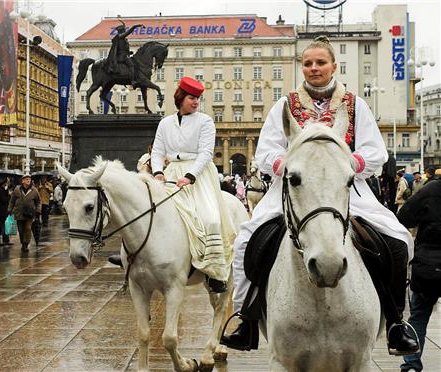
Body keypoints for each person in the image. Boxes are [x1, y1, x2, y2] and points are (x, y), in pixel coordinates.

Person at [222, 36, 418, 355]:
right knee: (246, 240)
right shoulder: (284, 104)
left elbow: (375, 151)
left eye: (320, 63)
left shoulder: (354, 104)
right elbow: (266, 149)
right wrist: (285, 164)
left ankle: (397, 321)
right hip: (295, 188)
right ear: (303, 67)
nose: (314, 68)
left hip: (345, 189)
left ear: (333, 66)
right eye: (308, 63)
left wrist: (347, 163)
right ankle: (245, 318)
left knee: (399, 240)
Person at [151, 76, 235, 293]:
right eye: (191, 98)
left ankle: (216, 272)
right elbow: (158, 151)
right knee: (150, 213)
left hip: (199, 174)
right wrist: (158, 171)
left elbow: (206, 153)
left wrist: (190, 176)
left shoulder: (205, 121)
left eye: (198, 98)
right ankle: (136, 258)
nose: (196, 102)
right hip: (170, 173)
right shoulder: (165, 122)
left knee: (210, 218)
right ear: (180, 98)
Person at [398, 169, 441, 372]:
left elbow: (405, 217)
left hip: (428, 266)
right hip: (428, 264)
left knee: (418, 317)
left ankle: (412, 365)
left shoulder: (430, 190)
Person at [8, 174, 41, 252]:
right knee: (21, 230)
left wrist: (38, 210)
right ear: (22, 181)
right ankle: (22, 243)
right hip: (19, 213)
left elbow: (38, 201)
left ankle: (26, 243)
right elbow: (12, 201)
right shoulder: (17, 189)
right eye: (26, 179)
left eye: (29, 179)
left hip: (30, 213)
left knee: (28, 228)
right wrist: (10, 209)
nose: (28, 180)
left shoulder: (34, 190)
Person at [107, 22, 142, 86]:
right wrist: (134, 26)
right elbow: (127, 33)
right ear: (122, 31)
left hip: (124, 55)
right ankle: (132, 80)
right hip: (121, 57)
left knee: (135, 62)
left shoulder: (123, 39)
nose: (125, 31)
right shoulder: (119, 36)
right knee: (131, 65)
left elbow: (122, 49)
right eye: (124, 30)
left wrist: (129, 52)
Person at [0, 178, 11, 248]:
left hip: (0, 211)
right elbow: (4, 200)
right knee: (3, 226)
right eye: (6, 182)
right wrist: (9, 196)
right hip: (1, 211)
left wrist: (6, 191)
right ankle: (5, 241)